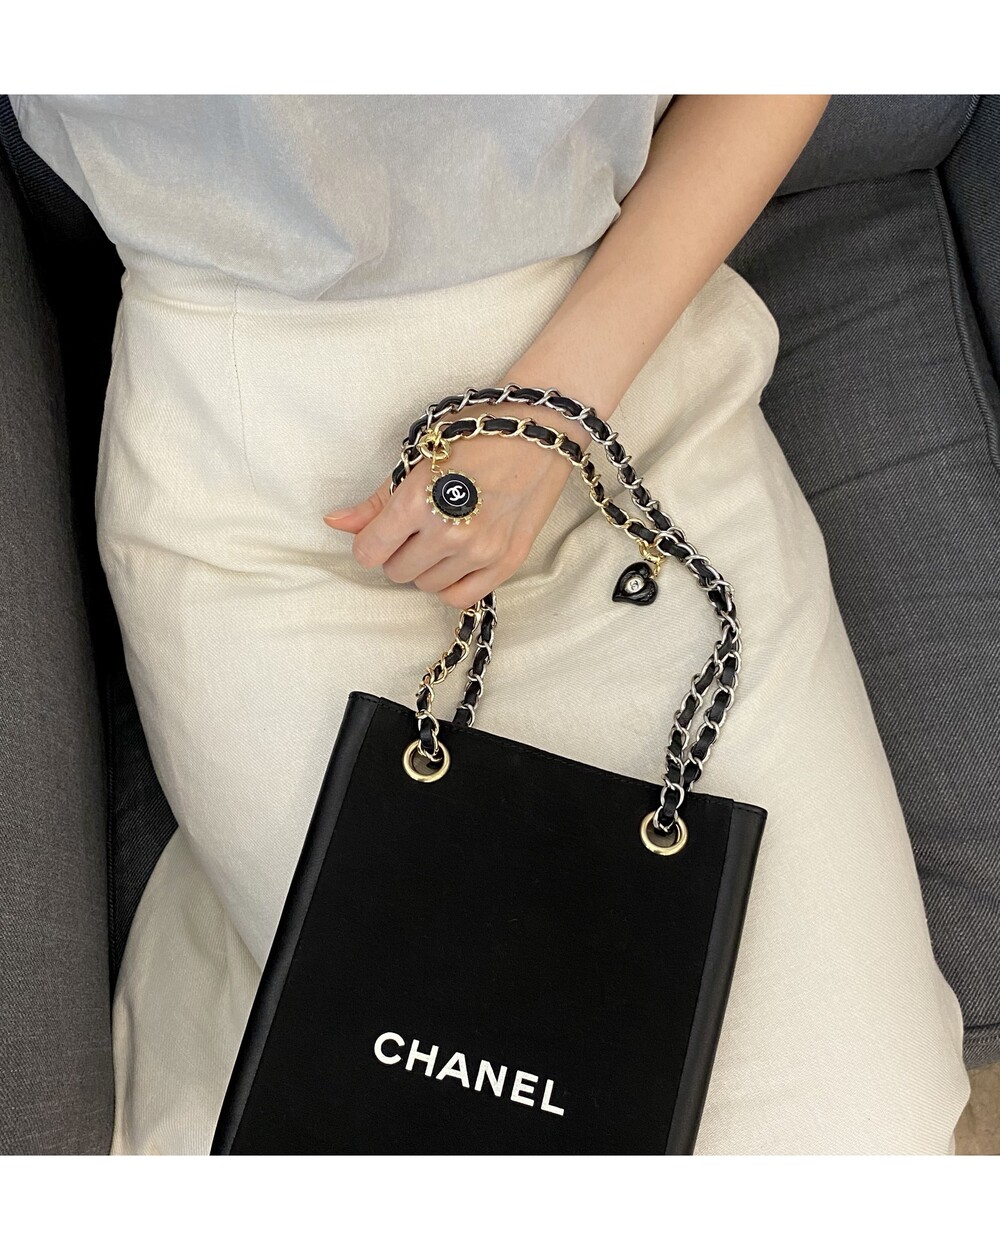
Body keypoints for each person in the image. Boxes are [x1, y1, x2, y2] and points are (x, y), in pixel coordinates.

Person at [11, 93, 970, 1155]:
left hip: (623, 377)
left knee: (848, 1127)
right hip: (263, 471)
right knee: (451, 1105)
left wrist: (552, 413)